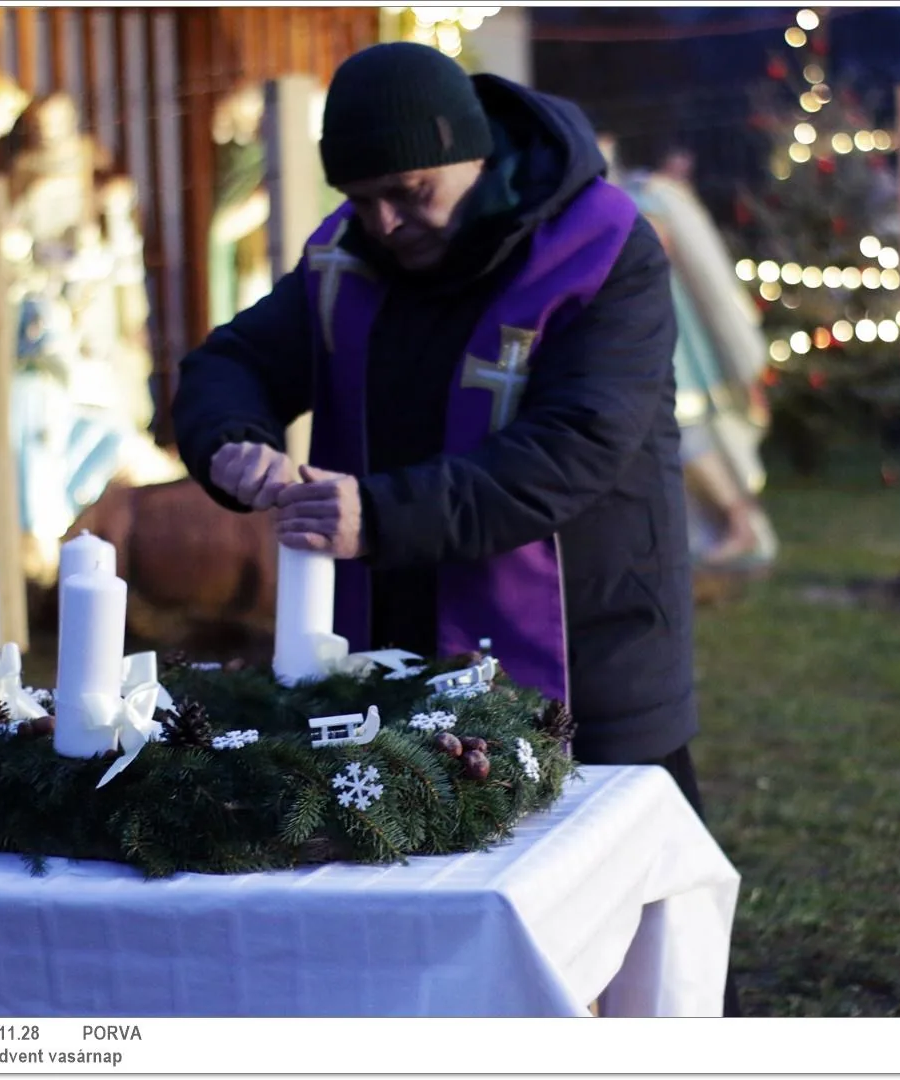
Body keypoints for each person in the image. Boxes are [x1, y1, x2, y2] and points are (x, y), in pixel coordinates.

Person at [172, 44, 702, 813]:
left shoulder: (606, 248)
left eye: (408, 191)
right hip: (398, 647)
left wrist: (380, 516)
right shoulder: (345, 254)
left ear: (473, 155)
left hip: (592, 653)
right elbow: (235, 361)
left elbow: (574, 447)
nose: (383, 224)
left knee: (620, 899)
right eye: (359, 199)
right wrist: (231, 440)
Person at [613, 142, 778, 573]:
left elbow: (656, 247)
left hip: (670, 335)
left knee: (690, 435)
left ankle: (739, 522)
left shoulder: (641, 196)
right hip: (654, 328)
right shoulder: (632, 195)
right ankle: (718, 529)